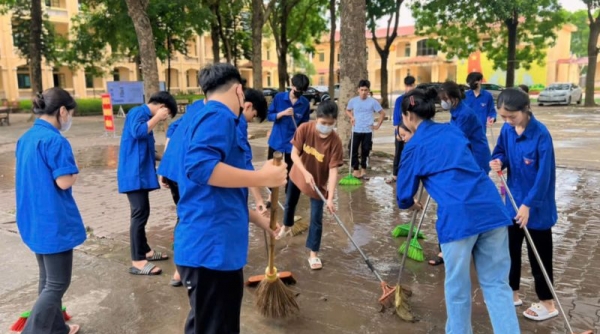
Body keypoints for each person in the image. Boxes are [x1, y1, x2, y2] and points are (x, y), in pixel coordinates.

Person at [174, 63, 287, 334]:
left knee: (206, 324)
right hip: (211, 250)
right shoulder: (219, 116)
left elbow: (214, 190)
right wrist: (262, 178)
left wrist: (257, 218)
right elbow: (201, 168)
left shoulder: (200, 116)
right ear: (239, 91)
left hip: (211, 247)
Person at [396, 88, 519, 333]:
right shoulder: (452, 130)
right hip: (491, 209)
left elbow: (403, 196)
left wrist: (412, 204)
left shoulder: (414, 146)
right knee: (497, 285)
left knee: (458, 290)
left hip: (459, 218)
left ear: (408, 116)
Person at [15, 87, 84, 334]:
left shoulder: (26, 138)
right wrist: (76, 170)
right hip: (53, 221)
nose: (69, 119)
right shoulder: (55, 140)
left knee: (47, 280)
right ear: (62, 111)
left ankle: (56, 329)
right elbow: (64, 181)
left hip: (33, 217)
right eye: (70, 114)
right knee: (57, 283)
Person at [490, 88, 558, 321]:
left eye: (512, 117)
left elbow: (544, 176)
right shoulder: (507, 130)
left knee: (539, 254)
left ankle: (547, 303)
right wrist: (498, 160)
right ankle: (512, 293)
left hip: (536, 207)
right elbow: (501, 151)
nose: (508, 121)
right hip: (512, 201)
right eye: (504, 117)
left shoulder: (541, 135)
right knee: (509, 251)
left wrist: (528, 205)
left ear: (525, 110)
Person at [276, 100, 344, 270]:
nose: (326, 127)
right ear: (316, 119)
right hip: (298, 174)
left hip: (318, 184)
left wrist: (330, 197)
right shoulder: (305, 128)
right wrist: (305, 172)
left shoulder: (335, 142)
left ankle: (313, 253)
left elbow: (334, 170)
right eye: (323, 123)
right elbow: (293, 154)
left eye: (330, 124)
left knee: (316, 219)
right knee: (290, 202)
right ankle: (287, 225)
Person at [117, 91, 177, 276]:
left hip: (140, 175)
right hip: (133, 175)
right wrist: (157, 118)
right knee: (139, 214)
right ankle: (138, 261)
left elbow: (149, 150)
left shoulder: (145, 117)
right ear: (162, 107)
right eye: (166, 113)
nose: (165, 117)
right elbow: (137, 132)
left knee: (143, 212)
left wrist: (166, 159)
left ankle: (146, 251)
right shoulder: (138, 112)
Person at [267, 73, 311, 187]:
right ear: (292, 85)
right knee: (272, 170)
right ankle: (271, 197)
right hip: (276, 140)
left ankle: (288, 200)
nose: (298, 93)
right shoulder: (279, 98)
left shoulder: (305, 103)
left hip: (292, 143)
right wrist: (282, 113)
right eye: (297, 89)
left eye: (302, 91)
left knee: (290, 173)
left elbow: (304, 124)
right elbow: (269, 116)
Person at [345, 79, 385, 179]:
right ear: (358, 90)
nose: (363, 92)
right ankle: (355, 169)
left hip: (368, 130)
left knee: (365, 150)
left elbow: (382, 113)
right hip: (356, 129)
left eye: (365, 90)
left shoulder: (373, 102)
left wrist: (377, 125)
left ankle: (363, 170)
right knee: (352, 149)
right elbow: (348, 110)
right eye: (362, 90)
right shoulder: (353, 101)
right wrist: (351, 117)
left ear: (368, 91)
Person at [387, 75, 415, 184]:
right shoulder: (400, 100)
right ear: (405, 86)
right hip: (400, 131)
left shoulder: (415, 100)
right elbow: (396, 117)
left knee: (411, 153)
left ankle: (410, 175)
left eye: (411, 85)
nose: (410, 88)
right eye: (408, 86)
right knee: (398, 153)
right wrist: (398, 132)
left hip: (412, 133)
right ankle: (395, 175)